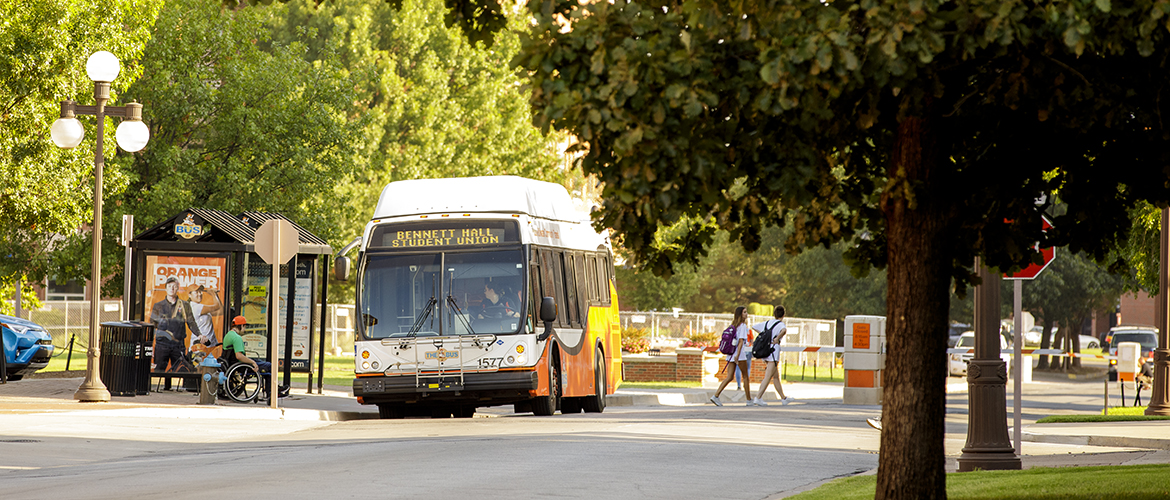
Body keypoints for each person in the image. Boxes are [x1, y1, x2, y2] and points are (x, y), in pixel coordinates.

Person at [223, 316, 288, 398]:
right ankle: (272, 391)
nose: (245, 329)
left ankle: (273, 389)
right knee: (269, 366)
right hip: (241, 365)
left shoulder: (228, 335)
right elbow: (239, 356)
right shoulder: (237, 338)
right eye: (245, 326)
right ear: (241, 325)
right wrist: (253, 362)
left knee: (262, 363)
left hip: (233, 363)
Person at [149, 277, 192, 391]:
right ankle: (155, 389)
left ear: (177, 288)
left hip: (178, 343)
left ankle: (169, 387)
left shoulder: (184, 305)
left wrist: (201, 335)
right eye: (169, 286)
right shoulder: (158, 305)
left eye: (174, 286)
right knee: (159, 368)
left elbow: (191, 322)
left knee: (178, 368)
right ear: (165, 288)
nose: (172, 288)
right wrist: (149, 342)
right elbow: (152, 324)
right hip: (162, 344)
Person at [709, 306, 752, 406]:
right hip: (739, 354)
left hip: (731, 353)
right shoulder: (742, 326)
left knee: (729, 377)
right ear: (740, 314)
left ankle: (716, 395)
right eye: (744, 312)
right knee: (745, 376)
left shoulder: (733, 325)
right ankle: (749, 400)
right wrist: (738, 355)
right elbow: (741, 341)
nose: (746, 314)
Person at [751, 305, 794, 406]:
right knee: (768, 376)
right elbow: (784, 330)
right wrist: (777, 338)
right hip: (774, 352)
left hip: (766, 350)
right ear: (783, 314)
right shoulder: (780, 324)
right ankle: (758, 397)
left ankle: (783, 398)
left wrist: (765, 335)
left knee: (775, 377)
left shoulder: (768, 323)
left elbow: (754, 326)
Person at [187, 284, 222, 349]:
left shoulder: (202, 307)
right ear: (189, 295)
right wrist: (213, 293)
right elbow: (217, 306)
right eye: (196, 292)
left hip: (208, 346)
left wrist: (215, 295)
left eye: (200, 291)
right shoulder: (196, 307)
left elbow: (221, 311)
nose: (199, 294)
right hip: (200, 347)